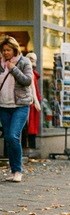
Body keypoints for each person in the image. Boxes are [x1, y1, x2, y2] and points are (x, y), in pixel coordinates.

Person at [0, 36, 33, 182]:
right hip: (4, 106)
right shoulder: (0, 63)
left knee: (13, 136)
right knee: (8, 138)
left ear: (15, 49)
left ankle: (18, 170)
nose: (5, 53)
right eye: (3, 50)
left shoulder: (24, 62)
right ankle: (13, 171)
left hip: (20, 105)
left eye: (8, 50)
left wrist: (13, 70)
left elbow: (27, 81)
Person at [25, 53, 41, 158]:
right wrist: (35, 100)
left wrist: (35, 100)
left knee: (31, 125)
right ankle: (29, 148)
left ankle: (31, 148)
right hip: (30, 101)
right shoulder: (28, 71)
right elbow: (32, 88)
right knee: (29, 125)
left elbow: (33, 88)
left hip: (32, 102)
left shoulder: (31, 72)